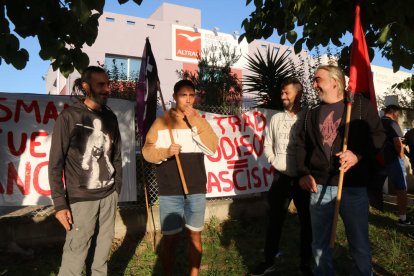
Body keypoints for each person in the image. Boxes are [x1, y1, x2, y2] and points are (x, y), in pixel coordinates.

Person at [297, 65, 385, 275]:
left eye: (318, 79)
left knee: (359, 245)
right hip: (319, 186)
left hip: (352, 187)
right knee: (319, 245)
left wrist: (358, 155)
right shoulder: (311, 113)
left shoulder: (360, 106)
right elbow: (301, 145)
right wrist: (303, 172)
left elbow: (379, 136)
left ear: (335, 82)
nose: (314, 84)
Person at [49, 66, 122, 275]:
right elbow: (55, 163)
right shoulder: (70, 117)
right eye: (101, 84)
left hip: (108, 196)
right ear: (85, 86)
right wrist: (60, 204)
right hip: (81, 199)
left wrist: (117, 189)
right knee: (75, 256)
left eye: (108, 84)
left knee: (101, 255)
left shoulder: (111, 118)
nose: (107, 89)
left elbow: (115, 156)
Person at [142, 79, 218, 276]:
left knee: (195, 235)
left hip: (196, 188)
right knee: (170, 239)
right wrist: (166, 151)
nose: (188, 99)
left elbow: (212, 148)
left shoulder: (199, 121)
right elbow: (147, 152)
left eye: (191, 95)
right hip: (170, 190)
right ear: (175, 97)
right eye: (183, 95)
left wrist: (195, 120)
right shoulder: (162, 123)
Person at [251, 77, 312, 276]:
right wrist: (273, 160)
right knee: (275, 220)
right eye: (282, 93)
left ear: (298, 94)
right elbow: (267, 143)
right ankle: (269, 260)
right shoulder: (276, 119)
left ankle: (306, 264)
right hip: (282, 178)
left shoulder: (309, 118)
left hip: (303, 179)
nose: (283, 96)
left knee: (307, 223)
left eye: (287, 92)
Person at [381, 105, 413, 226]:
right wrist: (401, 156)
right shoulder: (392, 124)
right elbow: (397, 143)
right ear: (394, 113)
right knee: (402, 189)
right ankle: (403, 219)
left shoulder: (378, 122)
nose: (398, 117)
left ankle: (401, 211)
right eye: (398, 114)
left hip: (382, 159)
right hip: (394, 159)